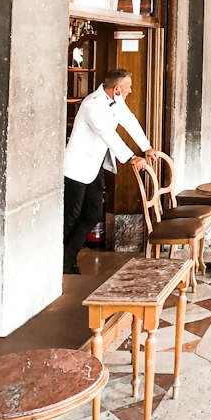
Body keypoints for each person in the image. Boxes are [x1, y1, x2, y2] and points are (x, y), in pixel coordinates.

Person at [63, 68, 154, 275]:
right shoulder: (91, 104)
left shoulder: (117, 101)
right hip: (76, 168)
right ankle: (61, 260)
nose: (130, 90)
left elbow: (130, 121)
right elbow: (107, 133)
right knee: (71, 216)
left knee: (93, 213)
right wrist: (131, 157)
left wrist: (146, 147)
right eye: (128, 87)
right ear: (116, 89)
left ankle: (67, 257)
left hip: (94, 166)